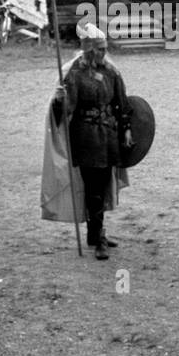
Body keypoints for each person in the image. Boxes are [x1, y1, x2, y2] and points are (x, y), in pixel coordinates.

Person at [50, 24, 133, 259]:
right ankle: (98, 237)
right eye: (100, 49)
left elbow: (122, 103)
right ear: (89, 50)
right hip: (86, 137)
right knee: (93, 188)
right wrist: (59, 101)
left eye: (105, 49)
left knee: (103, 183)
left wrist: (126, 129)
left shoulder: (111, 71)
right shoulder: (74, 74)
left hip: (108, 136)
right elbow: (66, 111)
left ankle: (95, 234)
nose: (104, 53)